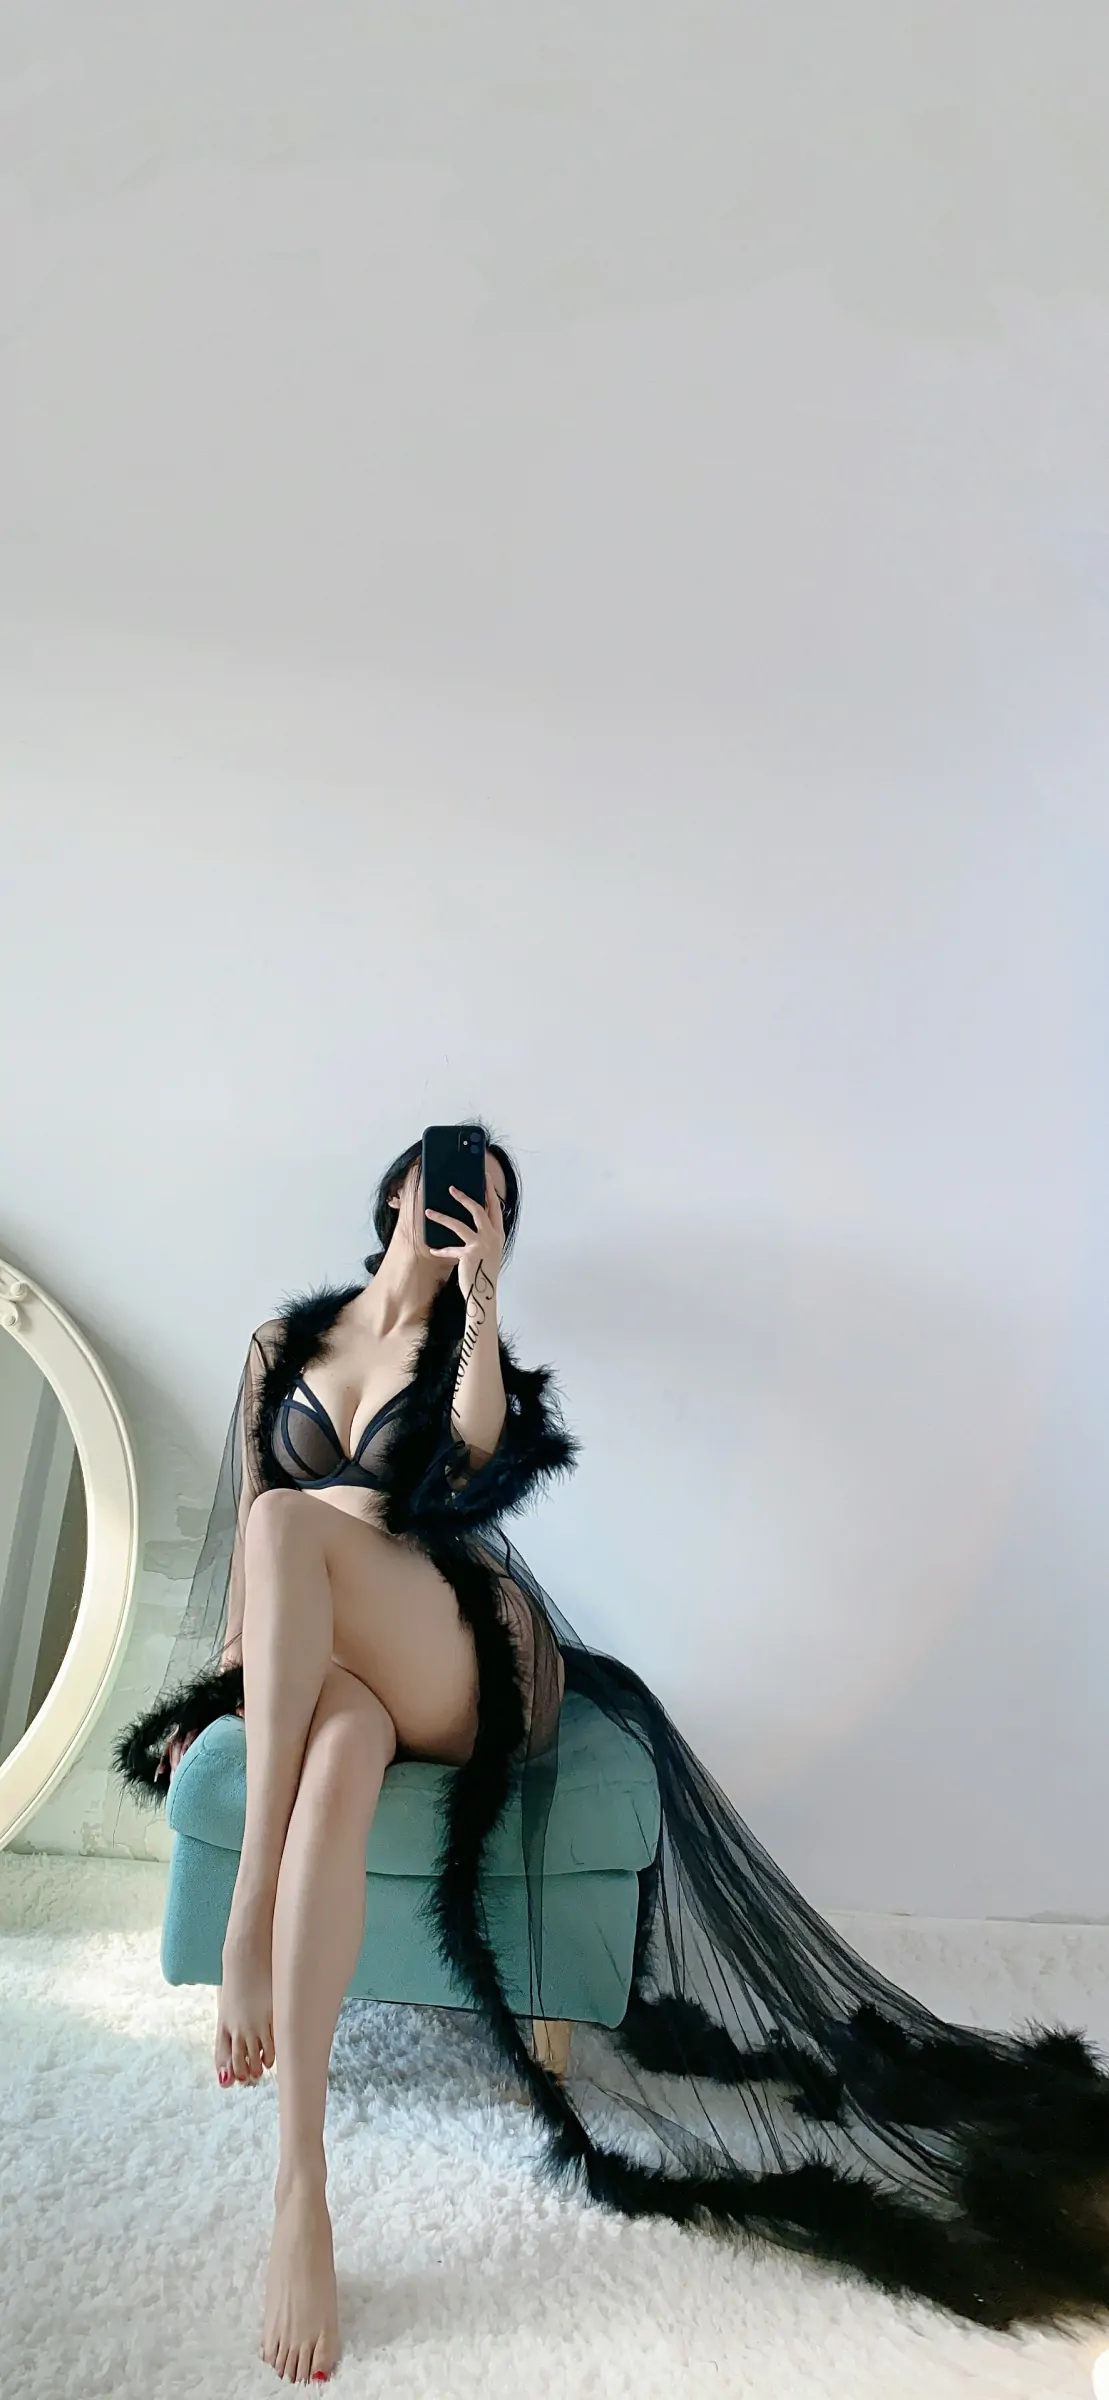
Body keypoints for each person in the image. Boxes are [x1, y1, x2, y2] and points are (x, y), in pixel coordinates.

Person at [114, 1125, 1109, 2387]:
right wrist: (226, 1695)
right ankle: (299, 2186)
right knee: (336, 1734)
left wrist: (481, 1301)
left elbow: (475, 1456)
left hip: (449, 1647)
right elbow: (247, 1569)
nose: (461, 1204)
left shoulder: (465, 1347)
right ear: (397, 1187)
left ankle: (249, 1910)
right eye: (446, 1182)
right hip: (338, 1665)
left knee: (285, 1522)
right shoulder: (281, 1346)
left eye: (491, 1203)